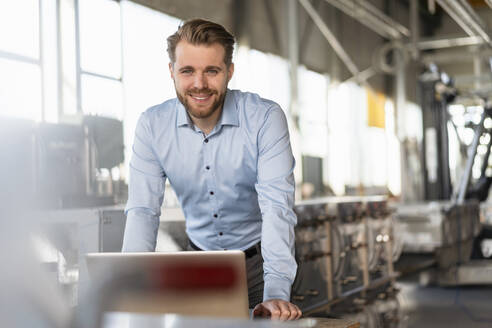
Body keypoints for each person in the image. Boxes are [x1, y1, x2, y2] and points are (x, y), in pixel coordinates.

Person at [122, 18, 301, 321]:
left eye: (212, 71)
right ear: (172, 72)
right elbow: (142, 211)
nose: (199, 84)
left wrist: (276, 294)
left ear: (229, 71)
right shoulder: (152, 126)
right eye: (187, 71)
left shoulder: (264, 119)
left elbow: (277, 208)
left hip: (261, 264)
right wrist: (128, 287)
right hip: (199, 267)